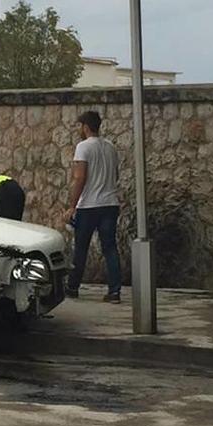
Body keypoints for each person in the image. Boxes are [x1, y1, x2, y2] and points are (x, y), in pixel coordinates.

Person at [63, 111, 122, 304]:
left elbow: (80, 177)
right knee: (110, 248)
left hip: (89, 205)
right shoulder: (110, 147)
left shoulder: (83, 147)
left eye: (80, 126)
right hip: (110, 203)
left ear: (86, 127)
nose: (79, 130)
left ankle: (72, 287)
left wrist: (72, 206)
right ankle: (114, 291)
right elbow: (116, 174)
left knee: (81, 248)